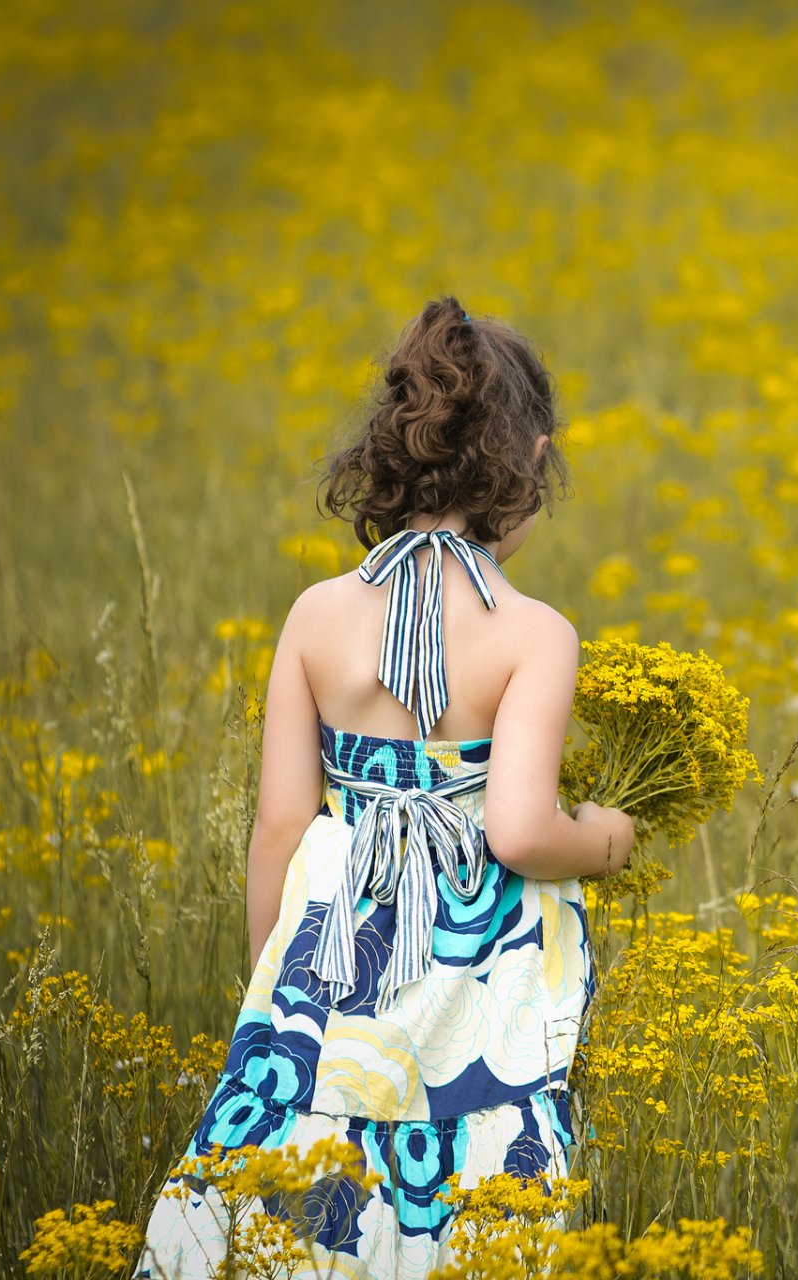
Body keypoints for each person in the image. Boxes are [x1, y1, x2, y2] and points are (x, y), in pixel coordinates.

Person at [138, 296, 637, 1278]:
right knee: (472, 1186)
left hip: (325, 958)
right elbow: (521, 829)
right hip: (471, 988)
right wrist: (609, 835)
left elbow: (281, 824)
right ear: (531, 462)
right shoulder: (532, 634)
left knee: (284, 1187)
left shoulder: (318, 614)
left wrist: (271, 1003)